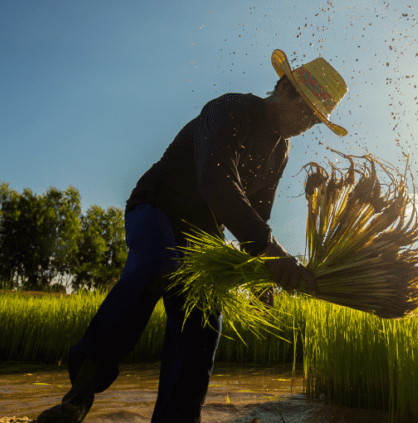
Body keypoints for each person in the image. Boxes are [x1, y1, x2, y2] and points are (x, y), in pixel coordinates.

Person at [36, 49, 348, 423]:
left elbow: (259, 211)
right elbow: (216, 182)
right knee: (155, 265)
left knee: (204, 320)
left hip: (203, 234)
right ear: (284, 88)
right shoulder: (229, 110)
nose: (306, 124)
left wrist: (260, 270)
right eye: (305, 111)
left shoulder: (280, 152)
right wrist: (269, 249)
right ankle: (77, 398)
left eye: (315, 120)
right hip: (158, 208)